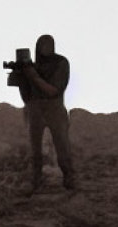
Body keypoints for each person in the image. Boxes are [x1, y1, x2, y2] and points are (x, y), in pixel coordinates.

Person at [16, 34, 75, 192]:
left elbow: (53, 90)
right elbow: (27, 98)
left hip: (54, 108)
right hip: (35, 110)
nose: (45, 48)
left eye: (48, 44)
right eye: (43, 45)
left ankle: (69, 179)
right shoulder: (34, 68)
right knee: (35, 150)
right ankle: (36, 181)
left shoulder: (61, 63)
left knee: (62, 146)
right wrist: (22, 79)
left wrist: (33, 76)